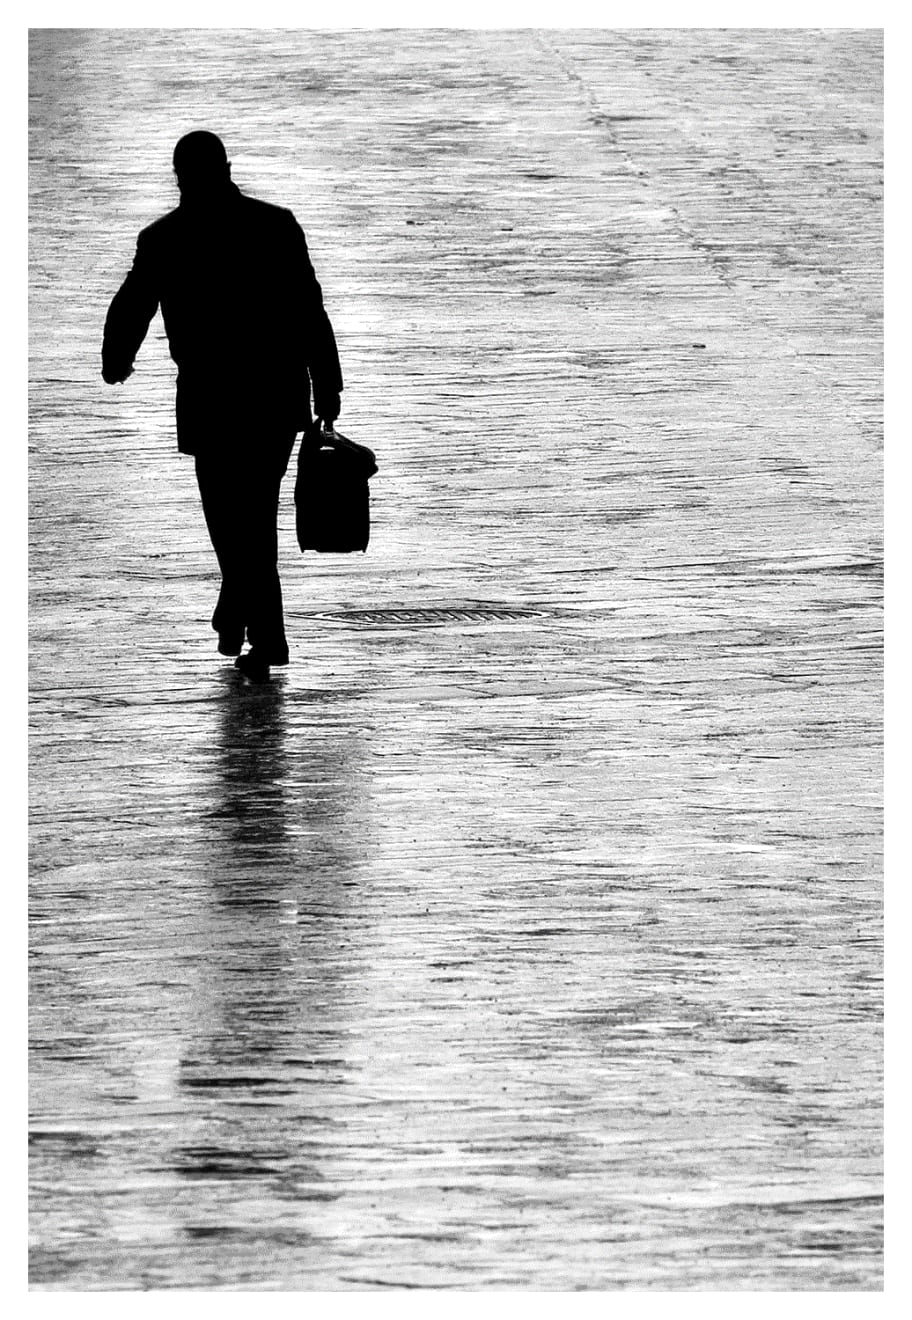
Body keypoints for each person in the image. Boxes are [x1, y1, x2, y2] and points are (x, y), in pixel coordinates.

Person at [102, 130, 343, 681]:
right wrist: (328, 383)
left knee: (230, 520)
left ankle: (257, 624)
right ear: (227, 166)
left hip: (211, 400)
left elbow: (133, 303)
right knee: (255, 515)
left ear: (179, 176)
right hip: (274, 396)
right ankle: (247, 615)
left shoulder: (164, 237)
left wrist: (117, 357)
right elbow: (310, 310)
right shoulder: (275, 225)